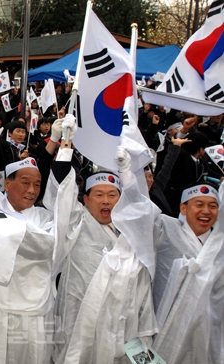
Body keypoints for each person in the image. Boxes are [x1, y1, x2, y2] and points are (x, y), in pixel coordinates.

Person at [0, 116, 68, 364]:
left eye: (37, 185)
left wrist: (1, 222)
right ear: (7, 183)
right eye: (25, 183)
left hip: (28, 315)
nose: (31, 190)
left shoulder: (44, 218)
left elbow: (43, 247)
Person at [51, 122, 159, 363]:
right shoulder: (76, 223)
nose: (106, 201)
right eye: (98, 195)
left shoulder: (129, 233)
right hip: (77, 320)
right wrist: (65, 146)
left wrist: (128, 176)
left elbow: (143, 211)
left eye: (112, 195)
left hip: (118, 325)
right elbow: (61, 194)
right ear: (86, 199)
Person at [150, 181, 224, 363]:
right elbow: (138, 215)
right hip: (167, 329)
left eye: (212, 206)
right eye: (199, 205)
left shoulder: (219, 247)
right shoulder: (166, 232)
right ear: (183, 208)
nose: (206, 211)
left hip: (208, 336)